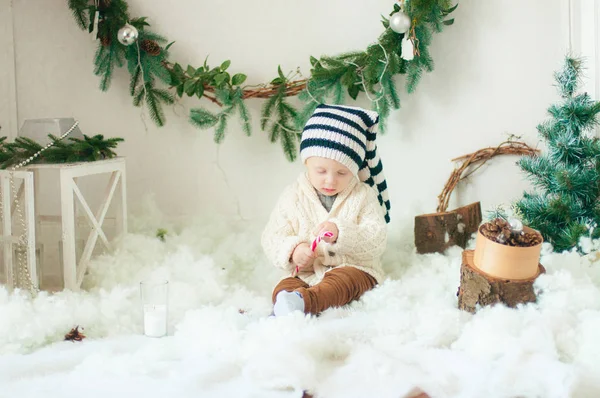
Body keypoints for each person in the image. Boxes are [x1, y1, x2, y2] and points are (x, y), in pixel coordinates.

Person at [261, 103, 390, 316]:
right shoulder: (293, 196)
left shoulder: (363, 196)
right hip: (306, 274)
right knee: (283, 286)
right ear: (306, 163)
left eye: (342, 173)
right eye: (321, 171)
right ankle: (289, 302)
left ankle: (305, 303)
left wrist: (341, 234)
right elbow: (272, 236)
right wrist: (293, 250)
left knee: (343, 282)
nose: (330, 180)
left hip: (354, 270)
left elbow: (377, 239)